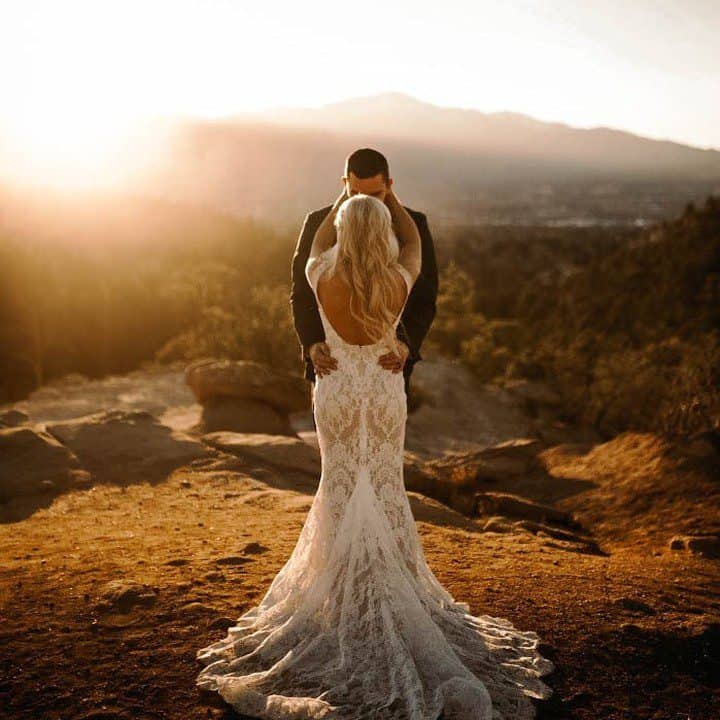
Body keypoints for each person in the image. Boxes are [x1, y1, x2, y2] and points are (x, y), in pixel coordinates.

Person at [195, 154, 555, 719]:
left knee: (338, 482)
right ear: (382, 221)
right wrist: (383, 214)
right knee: (385, 481)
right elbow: (411, 255)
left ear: (343, 220)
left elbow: (313, 260)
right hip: (382, 389)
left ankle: (339, 596)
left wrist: (351, 210)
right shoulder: (397, 275)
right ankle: (393, 587)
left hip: (338, 390)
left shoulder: (324, 270)